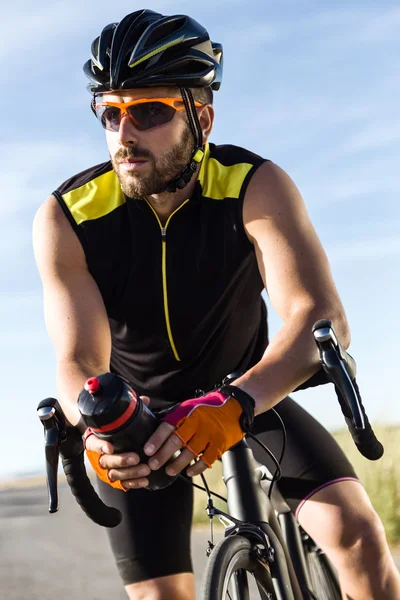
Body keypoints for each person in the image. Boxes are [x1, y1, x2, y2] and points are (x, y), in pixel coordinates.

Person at [33, 9, 400, 600]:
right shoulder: (68, 215)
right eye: (111, 112)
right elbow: (77, 356)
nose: (124, 134)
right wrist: (97, 431)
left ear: (200, 117)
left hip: (248, 392)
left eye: (149, 111)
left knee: (354, 532)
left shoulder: (253, 183)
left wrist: (234, 405)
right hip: (140, 417)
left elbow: (318, 316)